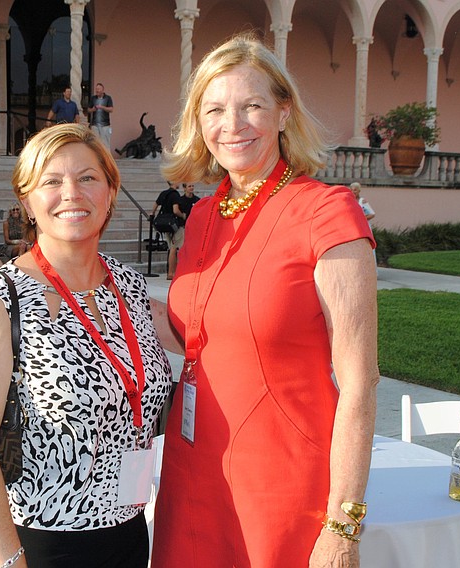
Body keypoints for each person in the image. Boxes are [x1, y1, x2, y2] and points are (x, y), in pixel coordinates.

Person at [150, 33, 378, 568]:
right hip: (191, 470)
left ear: (283, 112)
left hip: (281, 482)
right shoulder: (203, 216)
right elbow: (201, 335)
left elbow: (360, 381)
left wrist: (343, 526)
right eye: (214, 109)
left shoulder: (327, 212)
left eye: (251, 105)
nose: (232, 124)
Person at [0, 123, 172, 568]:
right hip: (44, 541)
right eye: (51, 181)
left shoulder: (129, 285)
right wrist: (9, 561)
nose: (71, 193)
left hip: (130, 531)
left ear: (110, 191)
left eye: (88, 177)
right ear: (27, 201)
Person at [152, 180, 186, 279]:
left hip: (165, 224)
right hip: (174, 224)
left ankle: (171, 272)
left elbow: (155, 205)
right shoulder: (175, 195)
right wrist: (183, 215)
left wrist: (152, 214)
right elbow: (175, 210)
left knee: (171, 247)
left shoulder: (164, 193)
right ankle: (171, 272)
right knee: (174, 248)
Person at [87, 82, 114, 150]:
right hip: (95, 125)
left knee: (105, 144)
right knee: (95, 143)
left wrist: (102, 107)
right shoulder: (93, 98)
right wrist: (93, 109)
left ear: (102, 90)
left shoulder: (108, 98)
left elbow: (111, 109)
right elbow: (88, 110)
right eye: (96, 89)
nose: (97, 91)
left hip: (105, 125)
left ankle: (106, 156)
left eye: (98, 89)